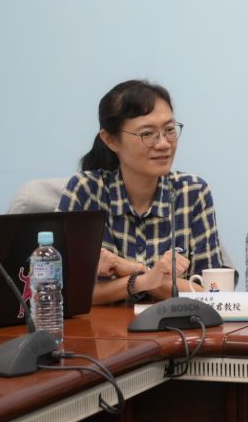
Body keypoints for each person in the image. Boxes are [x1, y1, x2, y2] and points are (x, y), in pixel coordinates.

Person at [57, 80, 229, 304]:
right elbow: (62, 291)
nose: (163, 144)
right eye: (147, 134)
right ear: (110, 140)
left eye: (169, 130)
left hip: (175, 326)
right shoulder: (87, 191)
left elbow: (212, 294)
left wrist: (129, 269)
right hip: (103, 327)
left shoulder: (192, 193)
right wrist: (143, 278)